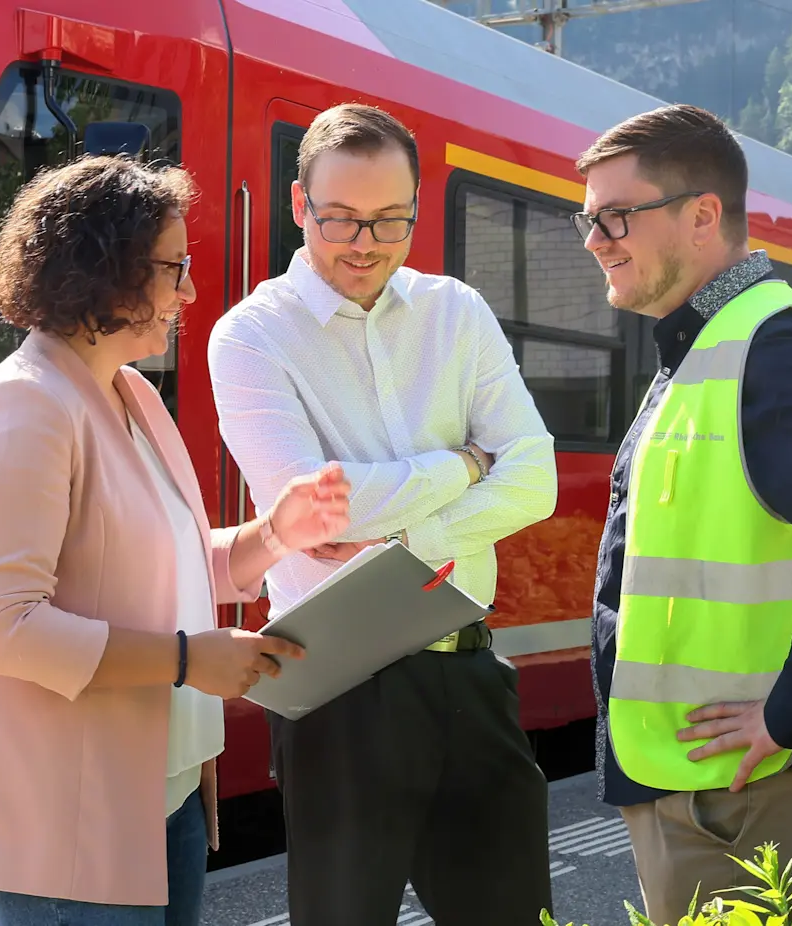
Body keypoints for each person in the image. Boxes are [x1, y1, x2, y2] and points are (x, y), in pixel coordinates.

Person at [0, 154, 353, 926]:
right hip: (65, 821)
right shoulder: (28, 405)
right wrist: (192, 661)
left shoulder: (126, 392)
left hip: (165, 795)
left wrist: (275, 533)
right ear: (106, 269)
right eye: (173, 268)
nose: (189, 291)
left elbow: (167, 566)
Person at [574, 103, 792, 924]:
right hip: (706, 783)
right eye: (588, 219)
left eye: (617, 216)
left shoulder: (772, 346)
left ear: (703, 216)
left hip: (741, 795)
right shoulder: (708, 346)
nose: (596, 240)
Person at [208, 103, 559, 925]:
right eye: (340, 220)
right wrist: (465, 464)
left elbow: (536, 476)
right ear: (299, 207)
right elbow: (317, 514)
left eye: (389, 220)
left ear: (414, 209)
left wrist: (406, 538)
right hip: (338, 687)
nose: (364, 243)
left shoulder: (456, 311)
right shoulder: (251, 337)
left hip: (469, 668)